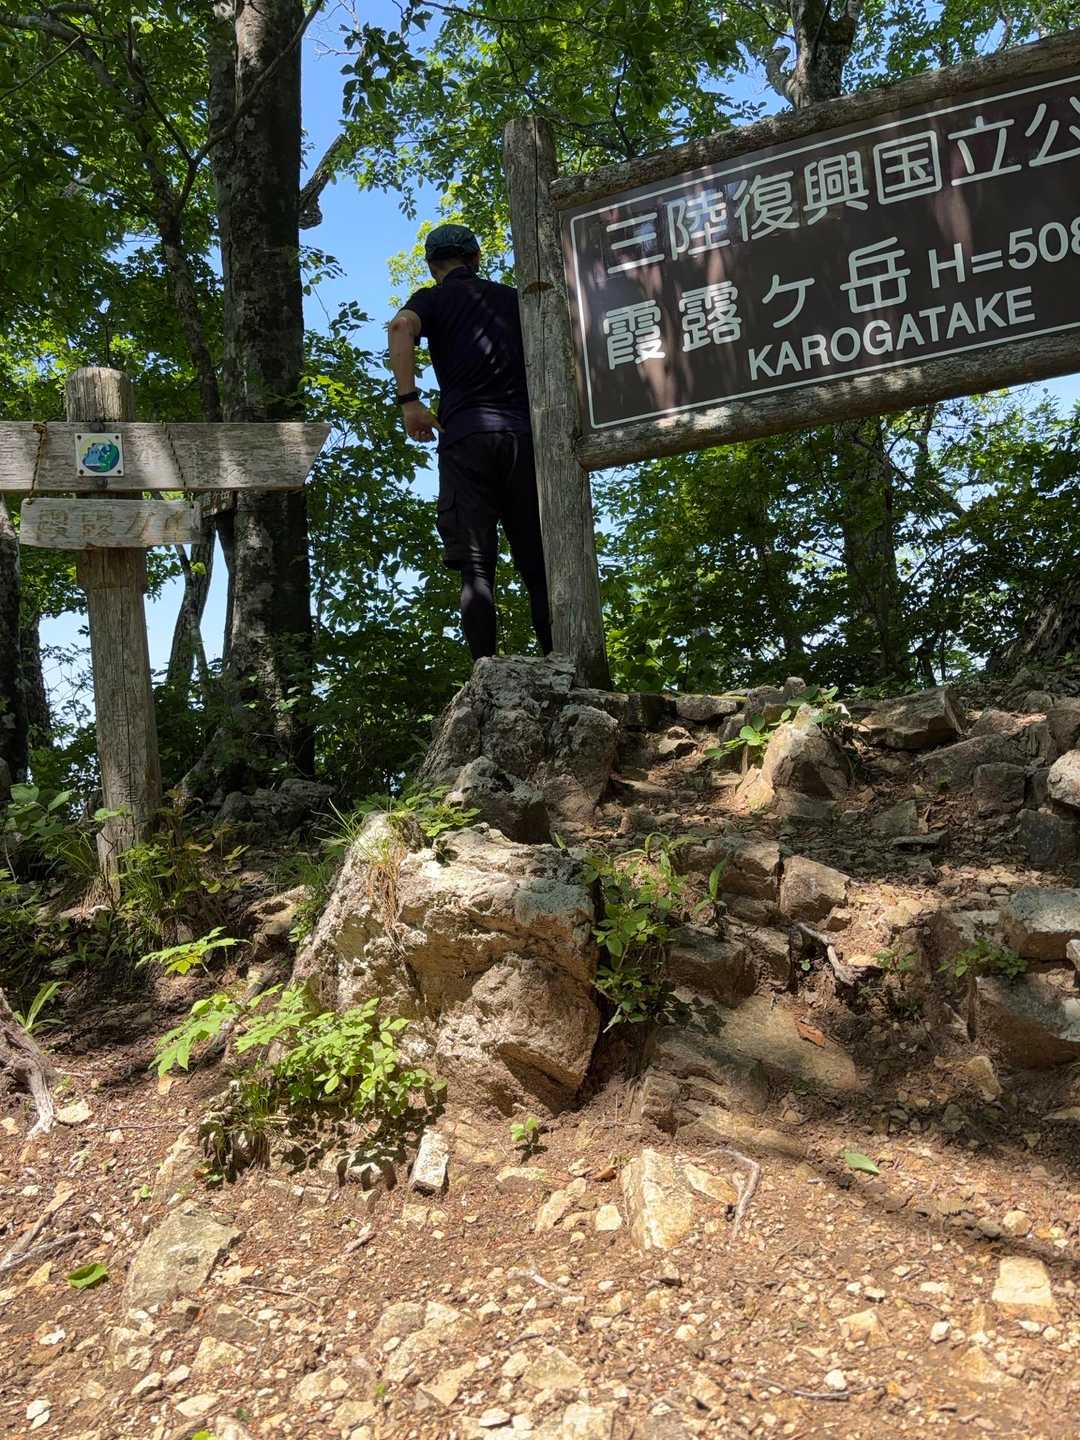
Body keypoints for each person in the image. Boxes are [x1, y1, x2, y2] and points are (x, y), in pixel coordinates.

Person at [387, 223, 553, 661]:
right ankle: (563, 664)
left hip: (465, 439)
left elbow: (401, 327)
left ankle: (486, 672)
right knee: (539, 565)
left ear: (432, 266)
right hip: (524, 438)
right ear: (476, 258)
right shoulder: (513, 299)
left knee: (477, 568)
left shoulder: (431, 299)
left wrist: (410, 402)